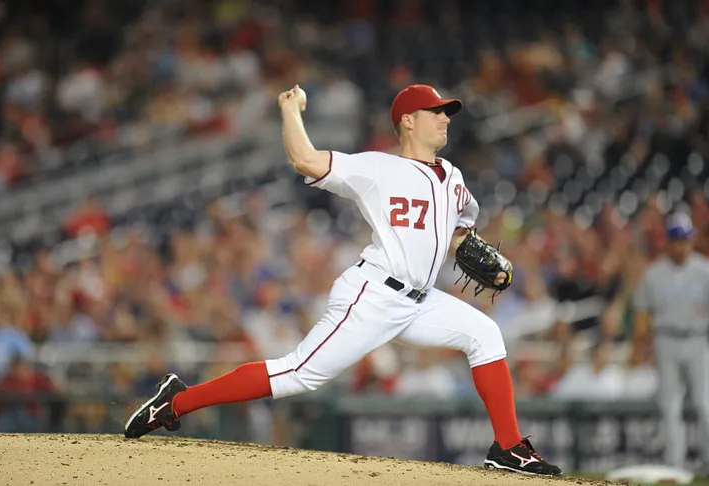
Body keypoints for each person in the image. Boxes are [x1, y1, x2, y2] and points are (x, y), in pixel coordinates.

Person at [124, 84, 562, 476]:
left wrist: (470, 245)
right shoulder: (377, 169)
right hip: (373, 294)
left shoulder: (455, 179)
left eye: (447, 111)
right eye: (436, 111)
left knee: (485, 333)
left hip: (421, 301)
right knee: (298, 374)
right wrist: (291, 111)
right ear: (408, 121)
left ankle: (507, 448)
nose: (445, 118)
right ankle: (176, 401)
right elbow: (305, 159)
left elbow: (459, 232)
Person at [633, 212, 709, 471]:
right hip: (665, 340)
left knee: (704, 403)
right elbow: (642, 314)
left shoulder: (705, 270)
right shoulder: (654, 274)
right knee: (670, 405)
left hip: (698, 340)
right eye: (676, 239)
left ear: (692, 240)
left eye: (685, 239)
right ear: (667, 241)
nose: (680, 245)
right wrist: (641, 347)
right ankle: (674, 464)